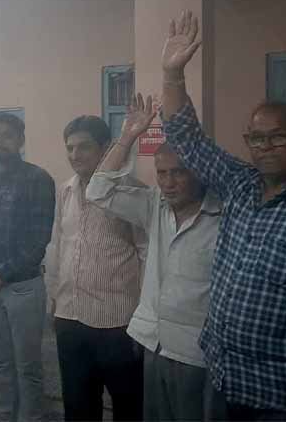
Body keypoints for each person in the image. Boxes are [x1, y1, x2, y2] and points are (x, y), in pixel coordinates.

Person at [159, 10, 286, 421]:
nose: (264, 146)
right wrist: (172, 75)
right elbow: (186, 138)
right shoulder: (240, 184)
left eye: (278, 136)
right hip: (224, 380)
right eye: (256, 138)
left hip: (285, 397)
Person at [86, 93, 224, 422]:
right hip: (153, 342)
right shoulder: (154, 206)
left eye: (179, 172)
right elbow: (97, 191)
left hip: (197, 353)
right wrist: (128, 136)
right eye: (162, 173)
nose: (169, 183)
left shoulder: (224, 215)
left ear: (199, 172)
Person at [46, 114, 145, 422]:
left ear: (105, 149)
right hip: (70, 317)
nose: (75, 155)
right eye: (70, 148)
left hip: (116, 322)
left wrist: (144, 318)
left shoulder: (131, 192)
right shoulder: (65, 191)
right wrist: (54, 300)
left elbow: (146, 254)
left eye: (84, 147)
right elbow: (58, 246)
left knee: (128, 406)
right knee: (78, 406)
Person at [0, 113, 55, 422]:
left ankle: (31, 417)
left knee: (27, 366)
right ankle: (6, 415)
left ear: (20, 140)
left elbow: (39, 240)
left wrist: (1, 273)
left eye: (6, 135)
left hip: (22, 288)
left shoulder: (38, 179)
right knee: (1, 362)